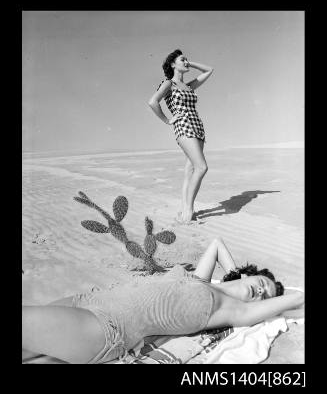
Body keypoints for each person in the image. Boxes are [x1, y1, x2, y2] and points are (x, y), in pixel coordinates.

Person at [22, 237, 304, 364]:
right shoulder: (202, 281)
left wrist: (267, 298)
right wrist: (235, 275)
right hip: (89, 300)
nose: (262, 293)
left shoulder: (233, 311)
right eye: (263, 284)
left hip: (106, 327)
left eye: (266, 297)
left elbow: (296, 298)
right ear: (249, 274)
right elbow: (216, 243)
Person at [148, 49, 214, 223]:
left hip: (197, 126)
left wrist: (188, 63)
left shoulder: (189, 86)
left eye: (187, 60)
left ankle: (184, 209)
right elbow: (152, 102)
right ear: (172, 64)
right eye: (182, 60)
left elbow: (209, 70)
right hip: (183, 126)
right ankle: (190, 211)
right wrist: (167, 120)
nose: (186, 62)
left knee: (190, 170)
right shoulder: (169, 84)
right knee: (201, 167)